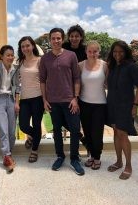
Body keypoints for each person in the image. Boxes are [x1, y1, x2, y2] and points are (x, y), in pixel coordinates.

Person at [39, 27, 84, 176]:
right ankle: (60, 156)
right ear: (50, 40)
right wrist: (44, 100)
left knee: (75, 130)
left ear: (62, 39)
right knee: (57, 130)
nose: (56, 41)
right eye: (53, 38)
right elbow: (42, 81)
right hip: (53, 101)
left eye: (58, 38)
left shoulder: (71, 56)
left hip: (70, 100)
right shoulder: (45, 58)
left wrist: (75, 98)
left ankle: (74, 159)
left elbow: (77, 78)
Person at [106, 40, 138, 180]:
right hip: (112, 104)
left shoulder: (131, 66)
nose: (117, 54)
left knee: (123, 134)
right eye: (115, 52)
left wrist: (135, 105)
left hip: (125, 106)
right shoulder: (113, 66)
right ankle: (119, 161)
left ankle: (128, 165)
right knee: (115, 133)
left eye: (120, 51)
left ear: (125, 52)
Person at [0, 45, 20, 173]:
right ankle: (6, 155)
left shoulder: (15, 70)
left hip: (11, 100)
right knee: (3, 129)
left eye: (12, 55)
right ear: (1, 56)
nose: (10, 57)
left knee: (12, 131)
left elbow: (17, 86)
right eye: (8, 55)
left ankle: (8, 155)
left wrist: (17, 103)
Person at [78, 41, 107, 170]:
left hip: (100, 104)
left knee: (97, 133)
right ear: (86, 52)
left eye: (95, 51)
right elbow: (76, 83)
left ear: (99, 52)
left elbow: (110, 83)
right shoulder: (80, 65)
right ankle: (91, 156)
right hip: (84, 103)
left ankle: (97, 157)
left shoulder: (105, 66)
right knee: (87, 132)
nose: (92, 54)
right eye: (90, 51)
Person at [17, 36, 44, 163]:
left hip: (38, 97)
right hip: (24, 98)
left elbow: (45, 80)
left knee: (37, 124)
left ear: (32, 46)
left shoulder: (40, 60)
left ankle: (34, 150)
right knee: (23, 125)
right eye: (23, 46)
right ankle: (35, 136)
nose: (25, 48)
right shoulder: (20, 62)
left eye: (27, 45)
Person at [62, 24, 88, 151]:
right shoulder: (64, 47)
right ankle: (80, 137)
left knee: (79, 117)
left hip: (81, 87)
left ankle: (84, 147)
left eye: (76, 36)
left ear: (81, 37)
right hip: (65, 87)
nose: (74, 38)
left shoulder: (85, 50)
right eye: (71, 36)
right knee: (61, 117)